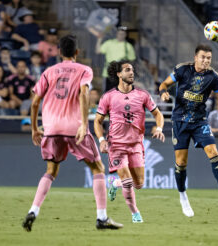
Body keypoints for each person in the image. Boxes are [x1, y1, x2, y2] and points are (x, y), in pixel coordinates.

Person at [21, 35, 123, 232]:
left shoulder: (49, 72)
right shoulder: (84, 70)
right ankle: (102, 218)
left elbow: (34, 102)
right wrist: (84, 124)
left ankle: (34, 210)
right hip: (74, 128)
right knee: (98, 169)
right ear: (77, 52)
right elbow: (84, 93)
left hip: (50, 129)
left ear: (59, 52)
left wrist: (35, 128)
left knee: (51, 171)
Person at [159, 44, 218, 218]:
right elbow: (164, 83)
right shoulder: (182, 69)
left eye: (209, 58)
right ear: (195, 57)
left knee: (213, 151)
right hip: (180, 121)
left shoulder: (213, 77)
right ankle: (183, 196)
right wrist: (163, 92)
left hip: (200, 121)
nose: (206, 61)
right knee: (181, 163)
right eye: (203, 57)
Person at [94, 60, 165, 223]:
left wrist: (159, 128)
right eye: (127, 70)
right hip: (116, 145)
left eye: (132, 70)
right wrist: (101, 139)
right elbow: (97, 121)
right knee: (127, 182)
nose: (131, 73)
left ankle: (114, 182)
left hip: (136, 145)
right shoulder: (108, 97)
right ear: (119, 74)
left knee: (139, 184)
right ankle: (135, 213)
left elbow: (158, 114)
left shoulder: (142, 95)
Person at [95, 26, 136, 92]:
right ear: (117, 34)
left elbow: (132, 60)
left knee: (121, 93)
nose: (121, 35)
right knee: (108, 92)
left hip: (122, 74)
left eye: (122, 34)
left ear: (125, 35)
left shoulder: (128, 46)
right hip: (109, 73)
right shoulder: (109, 43)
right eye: (119, 33)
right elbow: (98, 50)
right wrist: (99, 39)